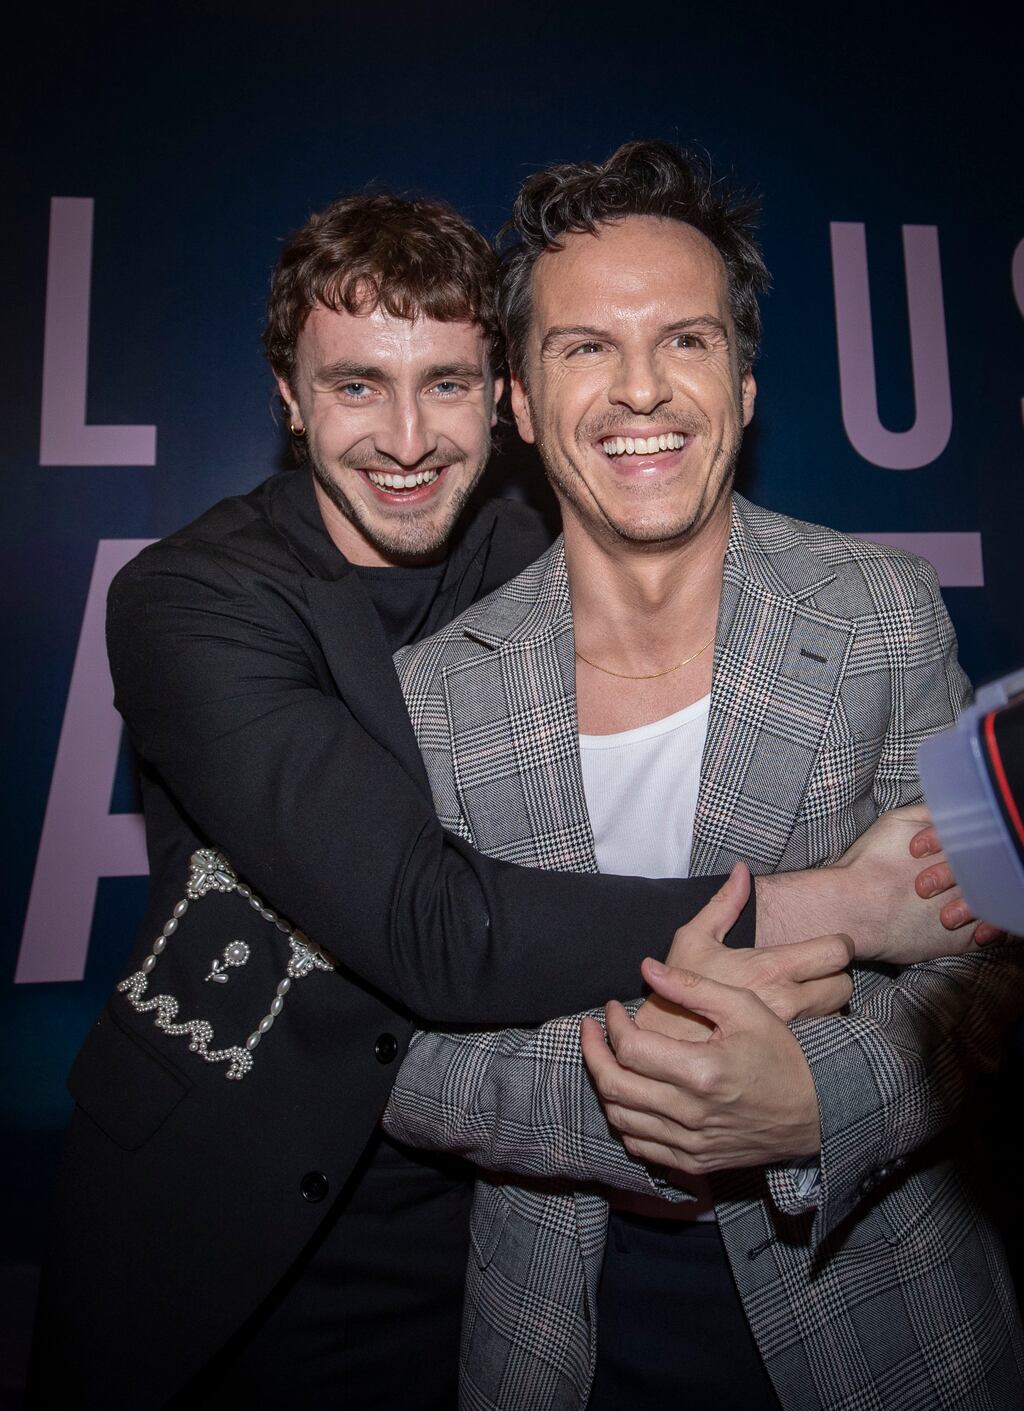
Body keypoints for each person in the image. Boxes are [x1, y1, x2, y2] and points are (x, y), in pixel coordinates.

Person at [28, 189, 933, 1411]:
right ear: (289, 401)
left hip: (467, 1240)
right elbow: (434, 926)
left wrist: (814, 1086)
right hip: (224, 1198)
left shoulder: (536, 553)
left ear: (499, 398)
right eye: (355, 385)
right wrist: (839, 908)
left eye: (445, 384)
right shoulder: (193, 599)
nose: (406, 439)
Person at [384, 141, 1024, 1410]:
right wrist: (646, 1101)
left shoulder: (884, 612)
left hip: (887, 1330)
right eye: (582, 348)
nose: (640, 392)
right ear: (515, 397)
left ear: (741, 382)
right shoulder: (434, 692)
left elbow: (994, 952)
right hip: (556, 1346)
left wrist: (819, 1101)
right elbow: (390, 1054)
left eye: (683, 341)